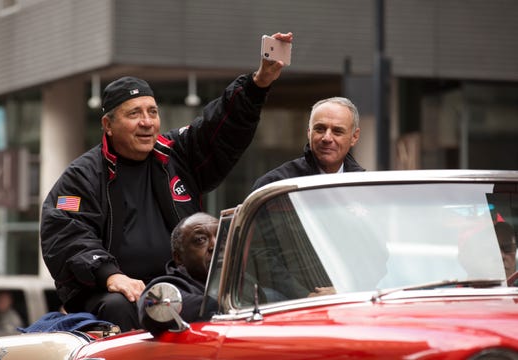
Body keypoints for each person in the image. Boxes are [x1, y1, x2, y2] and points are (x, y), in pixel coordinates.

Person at [40, 32, 293, 332]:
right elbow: (67, 233)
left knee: (248, 300)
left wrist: (257, 84)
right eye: (134, 113)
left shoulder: (176, 152)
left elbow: (219, 129)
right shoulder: (81, 177)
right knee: (123, 306)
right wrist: (110, 275)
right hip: (113, 291)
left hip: (182, 282)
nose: (147, 122)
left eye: (152, 112)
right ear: (108, 125)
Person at [251, 97, 364, 190]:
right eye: (320, 129)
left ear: (354, 137)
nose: (327, 138)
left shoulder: (366, 186)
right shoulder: (275, 185)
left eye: (337, 131)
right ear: (309, 132)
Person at [139, 212, 218, 334]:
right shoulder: (171, 284)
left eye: (222, 237)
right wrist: (227, 307)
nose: (215, 245)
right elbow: (152, 304)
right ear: (179, 258)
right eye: (201, 240)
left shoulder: (245, 282)